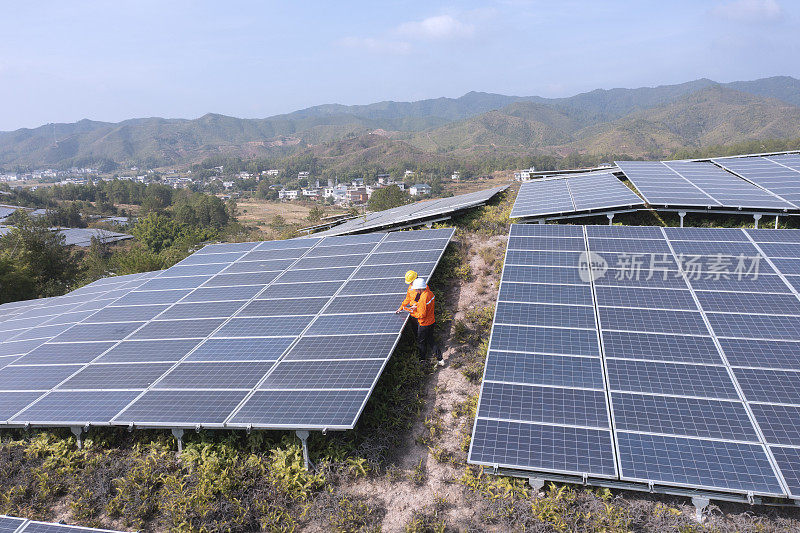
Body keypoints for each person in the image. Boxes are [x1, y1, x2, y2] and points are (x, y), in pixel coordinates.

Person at [397, 276, 444, 366]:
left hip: (424, 324)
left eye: (416, 289)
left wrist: (410, 311)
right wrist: (417, 306)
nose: (415, 291)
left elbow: (422, 315)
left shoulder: (422, 298)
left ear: (419, 289)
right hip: (431, 321)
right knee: (431, 340)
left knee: (421, 342)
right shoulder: (429, 293)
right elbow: (426, 307)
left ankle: (422, 360)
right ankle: (440, 359)